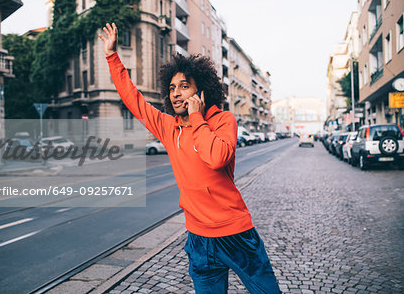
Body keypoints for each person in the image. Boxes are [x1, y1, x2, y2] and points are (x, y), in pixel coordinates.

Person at [99, 23, 281, 294]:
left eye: (184, 86)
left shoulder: (223, 120)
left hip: (236, 234)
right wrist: (112, 56)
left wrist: (197, 117)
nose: (176, 93)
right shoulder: (167, 126)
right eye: (172, 87)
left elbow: (216, 158)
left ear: (202, 90)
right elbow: (133, 99)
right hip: (199, 239)